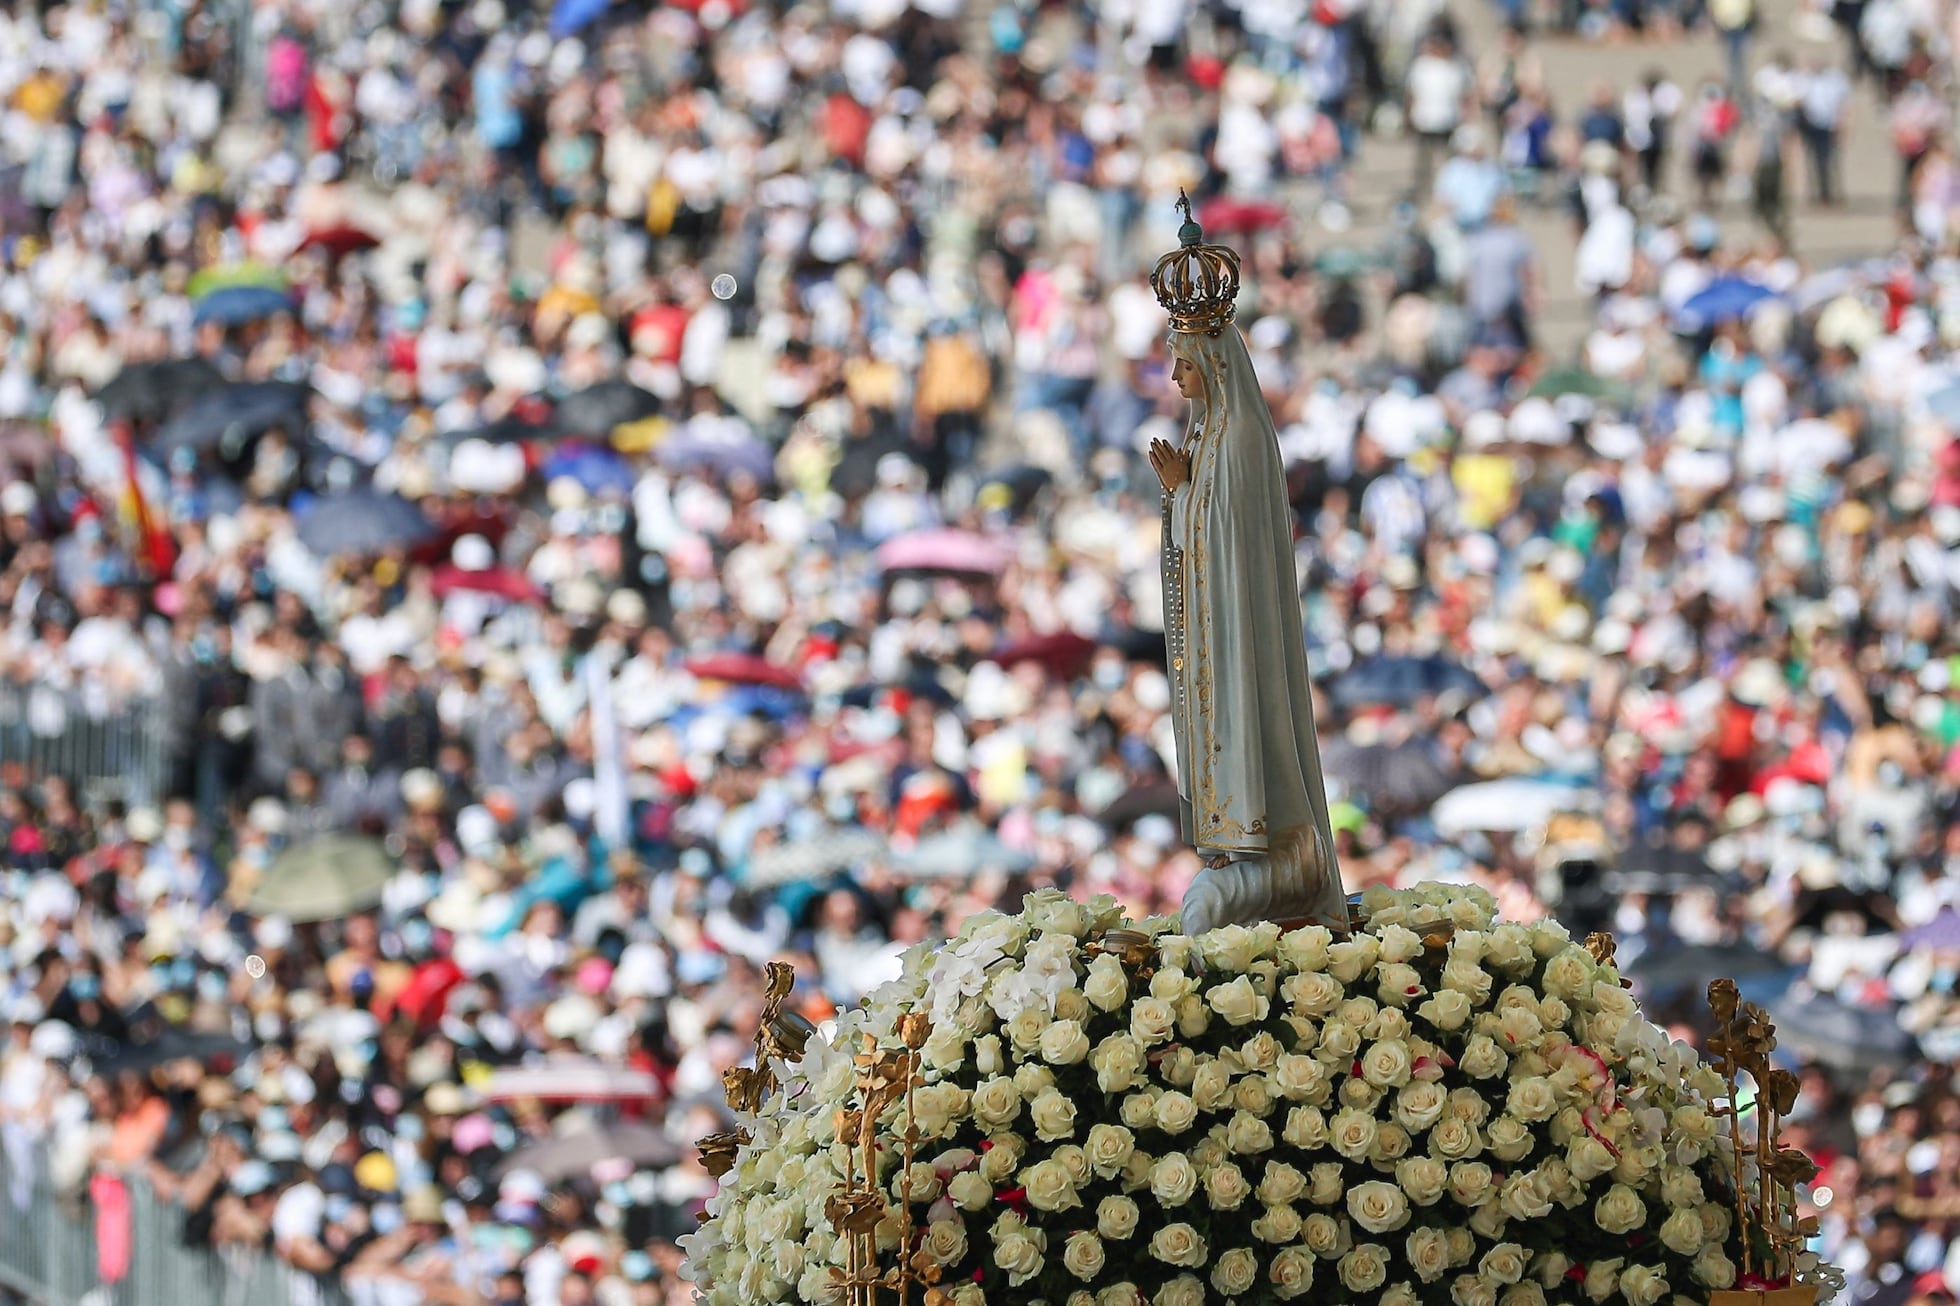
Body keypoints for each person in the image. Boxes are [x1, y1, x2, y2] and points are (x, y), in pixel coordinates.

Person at [1144, 199, 1348, 936]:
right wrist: (1179, 496)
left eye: (1183, 362)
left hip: (1234, 624)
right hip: (1211, 621)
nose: (1174, 377)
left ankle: (1260, 838)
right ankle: (1234, 847)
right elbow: (1197, 528)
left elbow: (1225, 535)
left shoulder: (1237, 442)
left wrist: (1184, 493)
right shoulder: (1208, 438)